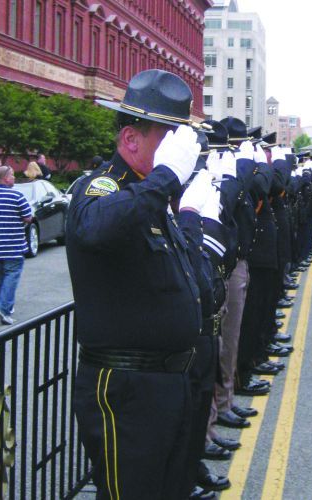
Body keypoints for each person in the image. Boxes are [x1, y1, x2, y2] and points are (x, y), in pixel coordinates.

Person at [66, 69, 204, 499]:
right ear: (131, 139)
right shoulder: (104, 187)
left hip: (171, 381)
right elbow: (96, 230)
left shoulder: (151, 197)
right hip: (126, 386)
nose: (180, 155)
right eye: (169, 138)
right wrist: (166, 178)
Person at [0, 166, 33, 325]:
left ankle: (4, 308)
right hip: (14, 245)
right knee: (11, 277)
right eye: (12, 175)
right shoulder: (16, 196)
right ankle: (3, 308)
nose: (14, 178)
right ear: (5, 178)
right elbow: (28, 217)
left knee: (0, 279)